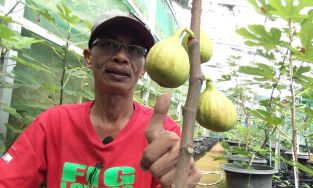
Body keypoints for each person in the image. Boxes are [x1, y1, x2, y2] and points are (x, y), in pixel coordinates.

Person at [0, 10, 201, 188]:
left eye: (134, 49)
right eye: (109, 44)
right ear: (88, 57)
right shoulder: (53, 124)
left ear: (144, 69)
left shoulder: (165, 133)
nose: (122, 56)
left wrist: (181, 178)